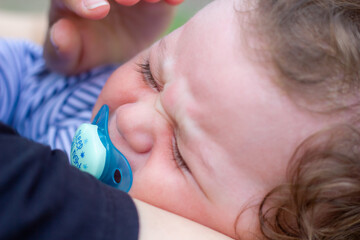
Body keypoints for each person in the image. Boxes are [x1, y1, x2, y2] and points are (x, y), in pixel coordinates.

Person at [2, 0, 360, 240]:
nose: (130, 119)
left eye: (181, 154)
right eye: (150, 73)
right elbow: (18, 71)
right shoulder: (74, 97)